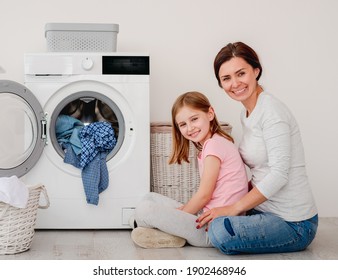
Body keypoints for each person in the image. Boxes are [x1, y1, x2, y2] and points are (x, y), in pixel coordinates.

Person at [196, 42, 318, 254]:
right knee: (210, 215)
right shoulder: (247, 113)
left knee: (220, 230)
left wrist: (233, 208)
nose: (235, 83)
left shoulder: (271, 112)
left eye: (240, 73)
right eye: (226, 78)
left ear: (256, 71)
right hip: (262, 210)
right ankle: (173, 231)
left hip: (294, 223)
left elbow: (279, 174)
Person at [131, 91, 248, 248]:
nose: (190, 128)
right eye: (183, 124)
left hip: (209, 228)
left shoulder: (214, 145)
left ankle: (167, 232)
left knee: (145, 209)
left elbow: (204, 195)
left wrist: (180, 215)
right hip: (205, 217)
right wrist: (181, 213)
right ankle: (171, 234)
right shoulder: (216, 142)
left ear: (210, 114)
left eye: (194, 119)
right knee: (150, 197)